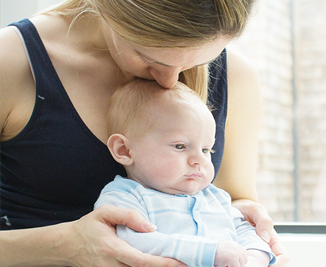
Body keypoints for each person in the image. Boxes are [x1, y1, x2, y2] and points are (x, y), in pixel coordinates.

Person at [0, 0, 289, 266]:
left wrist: (250, 227)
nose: (170, 81)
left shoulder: (236, 75)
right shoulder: (11, 62)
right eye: (149, 57)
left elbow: (234, 198)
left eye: (195, 63)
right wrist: (65, 247)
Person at [95, 79, 276, 267]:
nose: (199, 160)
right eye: (180, 146)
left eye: (206, 150)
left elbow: (244, 231)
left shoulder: (214, 197)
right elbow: (133, 243)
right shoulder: (124, 198)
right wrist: (209, 252)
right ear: (124, 150)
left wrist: (255, 257)